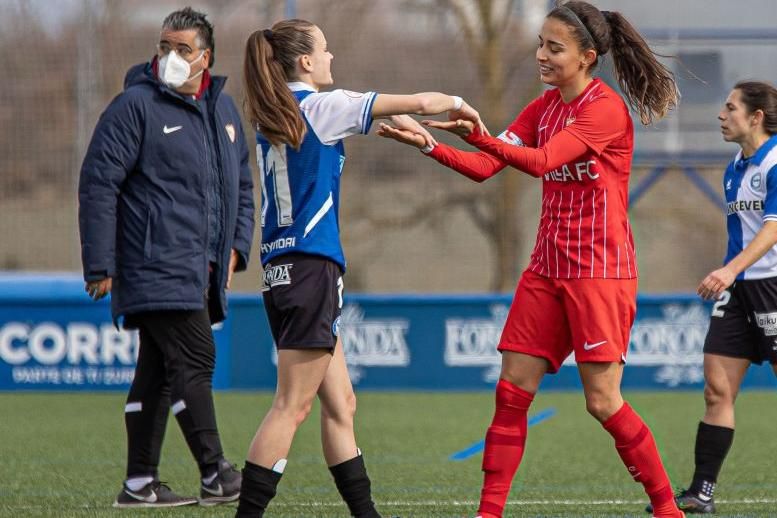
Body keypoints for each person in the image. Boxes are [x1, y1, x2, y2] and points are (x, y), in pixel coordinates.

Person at [378, 1, 686, 517]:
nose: (541, 54)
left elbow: (541, 162)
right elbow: (484, 167)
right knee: (511, 390)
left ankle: (666, 509)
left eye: (554, 47)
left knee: (602, 402)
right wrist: (429, 145)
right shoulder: (544, 108)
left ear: (587, 57)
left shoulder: (603, 109)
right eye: (541, 43)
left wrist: (479, 133)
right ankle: (488, 513)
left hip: (598, 272)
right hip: (546, 268)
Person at [235, 19, 485, 518]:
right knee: (292, 406)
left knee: (341, 403)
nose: (331, 58)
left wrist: (424, 140)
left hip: (286, 270)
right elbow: (416, 102)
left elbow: (391, 123)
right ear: (304, 61)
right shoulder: (322, 106)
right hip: (310, 269)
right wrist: (461, 107)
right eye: (325, 50)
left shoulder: (280, 112)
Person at [78, 7, 254, 508]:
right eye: (163, 47)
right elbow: (98, 185)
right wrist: (100, 263)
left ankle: (139, 484)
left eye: (182, 49)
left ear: (206, 58)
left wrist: (238, 244)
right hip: (153, 261)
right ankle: (216, 472)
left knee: (156, 372)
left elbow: (241, 185)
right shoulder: (133, 107)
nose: (170, 57)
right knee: (196, 358)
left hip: (201, 266)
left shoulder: (222, 111)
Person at [647, 81, 777, 515]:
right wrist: (732, 276)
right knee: (716, 390)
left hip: (772, 285)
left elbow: (774, 229)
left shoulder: (776, 160)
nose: (721, 115)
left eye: (730, 107)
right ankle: (701, 493)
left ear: (756, 116)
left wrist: (728, 269)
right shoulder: (733, 167)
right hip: (739, 291)